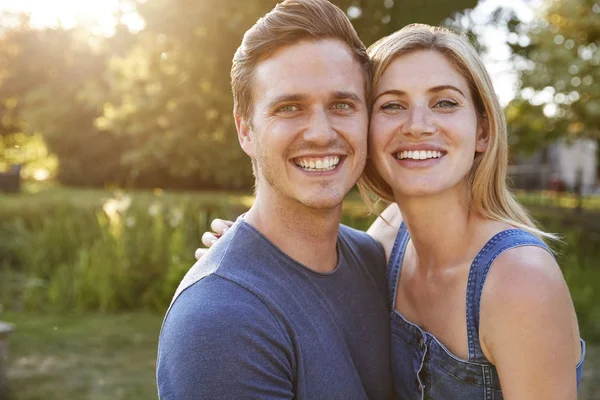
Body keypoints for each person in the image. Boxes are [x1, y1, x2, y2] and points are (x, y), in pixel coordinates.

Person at [199, 24, 586, 399]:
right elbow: (320, 270)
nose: (417, 126)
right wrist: (246, 251)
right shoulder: (388, 238)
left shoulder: (519, 281)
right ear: (367, 126)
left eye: (445, 103)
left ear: (482, 131)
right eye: (393, 105)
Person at [156, 1, 393, 399]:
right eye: (289, 107)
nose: (320, 133)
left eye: (341, 105)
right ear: (246, 130)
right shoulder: (219, 319)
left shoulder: (371, 259)